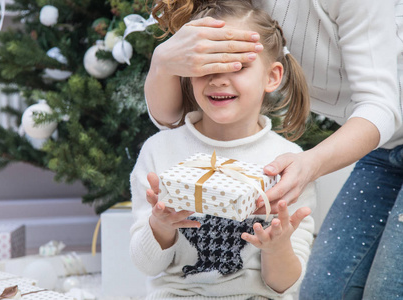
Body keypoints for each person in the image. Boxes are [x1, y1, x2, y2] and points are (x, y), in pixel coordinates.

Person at [144, 0, 403, 299]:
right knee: (323, 292)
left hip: (383, 125)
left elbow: (382, 107)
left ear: (274, 76)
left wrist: (311, 163)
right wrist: (163, 60)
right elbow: (170, 117)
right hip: (385, 148)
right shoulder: (226, 9)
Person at [130, 2, 317, 299]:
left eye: (238, 65)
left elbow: (285, 285)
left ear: (272, 76)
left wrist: (277, 247)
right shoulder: (160, 152)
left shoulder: (289, 163)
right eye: (206, 66)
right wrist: (160, 226)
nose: (218, 77)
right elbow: (146, 265)